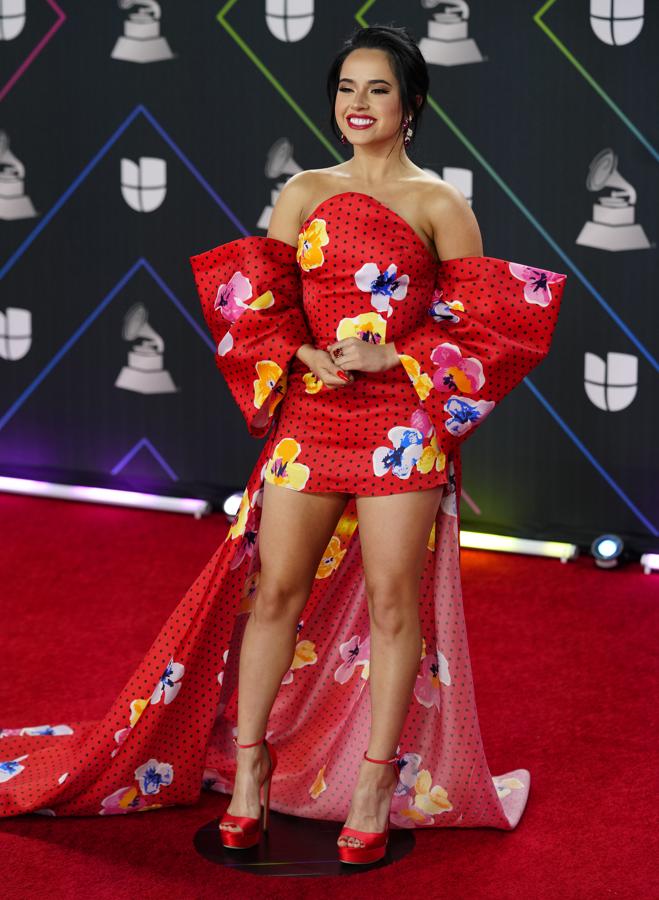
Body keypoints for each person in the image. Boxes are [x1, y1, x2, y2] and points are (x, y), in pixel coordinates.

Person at [0, 24, 567, 867]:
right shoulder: (302, 190)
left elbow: (484, 330)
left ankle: (375, 784)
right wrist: (296, 351)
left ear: (411, 104)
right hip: (312, 419)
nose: (357, 105)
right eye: (346, 88)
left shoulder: (441, 204)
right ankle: (253, 772)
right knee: (273, 594)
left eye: (377, 89)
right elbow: (255, 309)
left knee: (390, 605)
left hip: (400, 433)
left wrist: (398, 357)